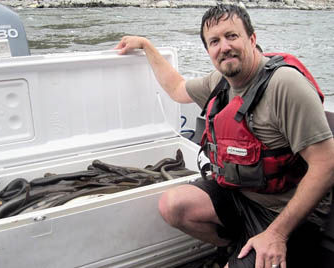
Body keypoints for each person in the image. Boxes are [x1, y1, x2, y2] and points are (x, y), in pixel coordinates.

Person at [115, 4, 334, 268]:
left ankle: (260, 249)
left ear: (252, 39)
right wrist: (146, 46)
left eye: (232, 36)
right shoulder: (219, 81)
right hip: (242, 196)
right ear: (208, 51)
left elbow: (326, 164)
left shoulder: (285, 85)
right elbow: (176, 87)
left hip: (288, 214)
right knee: (173, 205)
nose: (224, 47)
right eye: (214, 41)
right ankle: (237, 245)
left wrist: (276, 234)